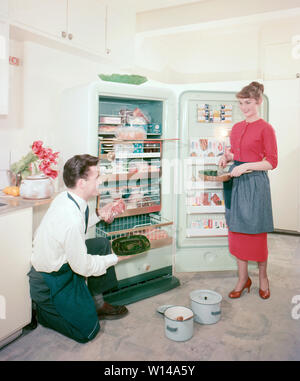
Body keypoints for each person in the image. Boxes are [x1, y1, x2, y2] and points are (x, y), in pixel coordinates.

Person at [28, 154, 132, 343]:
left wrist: (101, 213)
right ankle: (43, 311)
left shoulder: (68, 198)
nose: (101, 180)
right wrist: (116, 258)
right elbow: (82, 266)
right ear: (83, 183)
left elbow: (79, 224)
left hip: (65, 264)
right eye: (97, 176)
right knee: (87, 331)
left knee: (101, 244)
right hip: (49, 279)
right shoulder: (70, 218)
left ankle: (98, 303)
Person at [219, 82, 278, 300]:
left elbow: (271, 162)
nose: (244, 107)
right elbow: (238, 154)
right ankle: (243, 279)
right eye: (241, 103)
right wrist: (227, 158)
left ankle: (263, 277)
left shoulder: (266, 128)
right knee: (236, 231)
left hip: (254, 183)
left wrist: (246, 166)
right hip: (235, 183)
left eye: (249, 102)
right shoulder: (236, 128)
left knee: (255, 232)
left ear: (258, 101)